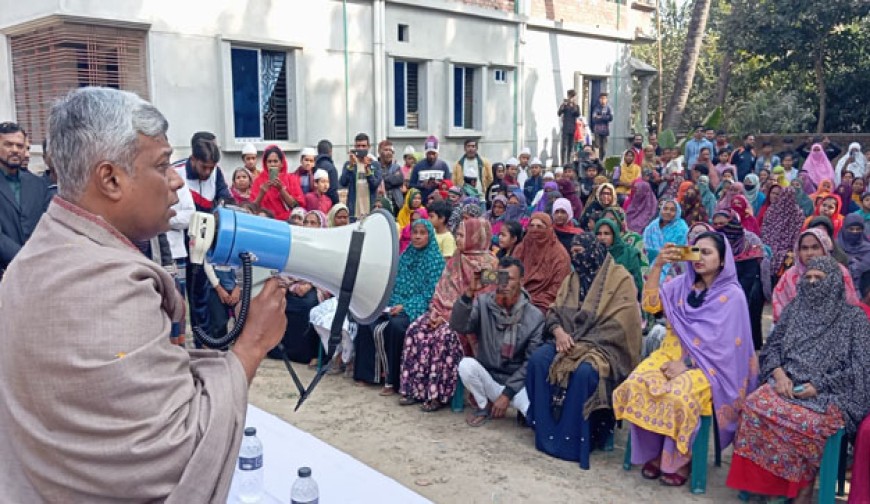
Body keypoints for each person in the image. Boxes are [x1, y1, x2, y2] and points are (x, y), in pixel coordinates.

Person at [0, 87, 289, 501]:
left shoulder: (32, 263)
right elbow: (174, 456)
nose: (175, 180)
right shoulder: (107, 286)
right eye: (160, 164)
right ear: (111, 179)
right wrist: (252, 345)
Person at [613, 233, 758, 487]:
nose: (699, 258)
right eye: (696, 251)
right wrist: (658, 265)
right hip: (669, 353)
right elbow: (650, 304)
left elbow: (728, 350)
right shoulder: (681, 284)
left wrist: (687, 365)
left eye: (707, 252)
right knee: (637, 383)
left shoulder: (732, 295)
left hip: (709, 367)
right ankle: (654, 452)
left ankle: (680, 459)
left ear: (723, 260)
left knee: (678, 395)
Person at [727, 256, 870, 503]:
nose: (812, 283)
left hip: (830, 392)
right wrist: (779, 375)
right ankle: (763, 486)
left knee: (804, 422)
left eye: (819, 278)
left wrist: (818, 386)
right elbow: (772, 349)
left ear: (835, 283)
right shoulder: (795, 308)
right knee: (754, 406)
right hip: (787, 382)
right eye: (809, 277)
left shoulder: (854, 319)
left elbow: (861, 368)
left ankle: (799, 487)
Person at [526, 232, 642, 467]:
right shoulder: (572, 279)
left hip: (603, 347)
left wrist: (582, 345)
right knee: (539, 360)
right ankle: (546, 432)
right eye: (573, 254)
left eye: (580, 253)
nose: (576, 259)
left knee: (585, 372)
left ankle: (576, 441)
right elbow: (554, 311)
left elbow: (621, 325)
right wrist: (558, 331)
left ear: (593, 252)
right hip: (567, 341)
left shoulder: (620, 279)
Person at [399, 218, 498, 410]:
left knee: (443, 337)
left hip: (467, 321)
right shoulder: (456, 259)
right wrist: (435, 312)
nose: (458, 239)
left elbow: (484, 301)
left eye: (462, 235)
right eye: (458, 235)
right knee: (416, 329)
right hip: (442, 312)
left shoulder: (490, 265)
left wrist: (448, 317)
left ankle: (438, 395)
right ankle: (415, 389)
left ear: (475, 237)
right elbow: (441, 289)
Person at [452, 256, 545, 427]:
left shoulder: (535, 317)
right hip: (490, 377)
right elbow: (459, 325)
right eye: (501, 278)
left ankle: (520, 411)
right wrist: (469, 293)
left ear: (521, 281)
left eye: (509, 279)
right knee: (466, 365)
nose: (504, 284)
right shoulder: (483, 302)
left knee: (537, 421)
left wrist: (507, 394)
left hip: (516, 384)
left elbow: (529, 363)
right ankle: (483, 406)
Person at [354, 218, 444, 393]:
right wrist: (387, 303)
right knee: (367, 319)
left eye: (422, 233)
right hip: (394, 302)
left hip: (418, 306)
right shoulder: (405, 256)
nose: (417, 237)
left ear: (429, 236)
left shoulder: (435, 261)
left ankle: (392, 379)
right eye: (414, 232)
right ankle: (368, 374)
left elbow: (430, 294)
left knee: (396, 326)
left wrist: (405, 306)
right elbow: (392, 283)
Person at [771, 228, 861, 323]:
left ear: (824, 249)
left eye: (815, 247)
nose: (810, 253)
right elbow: (780, 308)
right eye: (805, 248)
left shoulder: (840, 273)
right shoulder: (789, 276)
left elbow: (850, 307)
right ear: (798, 251)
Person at [712, 211, 768, 350]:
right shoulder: (716, 241)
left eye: (723, 224)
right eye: (716, 224)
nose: (719, 227)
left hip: (747, 282)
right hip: (722, 284)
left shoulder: (748, 243)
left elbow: (754, 269)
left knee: (753, 299)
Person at [0, 121, 51, 275]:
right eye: (8, 145)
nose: (15, 150)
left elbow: (48, 222)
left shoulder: (38, 184)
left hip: (39, 271)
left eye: (20, 146)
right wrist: (26, 260)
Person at [513, 213, 572, 313]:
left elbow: (557, 288)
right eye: (531, 226)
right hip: (516, 296)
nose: (535, 229)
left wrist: (530, 301)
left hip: (543, 303)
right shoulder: (522, 248)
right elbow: (510, 272)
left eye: (539, 226)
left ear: (549, 229)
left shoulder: (559, 255)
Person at [760, 187, 804, 285]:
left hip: (780, 252)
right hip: (773, 249)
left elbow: (796, 234)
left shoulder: (796, 214)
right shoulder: (772, 211)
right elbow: (766, 231)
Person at [251, 145, 304, 220]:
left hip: (288, 221)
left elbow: (297, 206)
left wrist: (281, 190)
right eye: (269, 161)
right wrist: (262, 193)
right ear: (265, 164)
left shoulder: (291, 179)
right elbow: (252, 208)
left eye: (275, 161)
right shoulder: (259, 181)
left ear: (282, 163)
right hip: (266, 221)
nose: (272, 164)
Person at [594, 218, 644, 295]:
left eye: (607, 234)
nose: (602, 237)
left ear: (614, 235)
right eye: (599, 234)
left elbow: (637, 283)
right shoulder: (593, 254)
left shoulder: (629, 253)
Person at [642, 198, 689, 278]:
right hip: (650, 261)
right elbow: (645, 246)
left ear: (677, 212)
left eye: (672, 210)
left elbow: (683, 252)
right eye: (665, 208)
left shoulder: (682, 228)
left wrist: (663, 257)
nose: (668, 212)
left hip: (672, 265)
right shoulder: (652, 226)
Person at [340, 133, 383, 220]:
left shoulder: (375, 164)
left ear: (368, 147)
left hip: (370, 210)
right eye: (358, 146)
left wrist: (368, 170)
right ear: (355, 147)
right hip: (354, 211)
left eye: (363, 146)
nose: (360, 149)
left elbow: (374, 185)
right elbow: (342, 182)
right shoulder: (349, 164)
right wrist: (351, 166)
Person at [839, 213, 870, 300]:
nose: (854, 232)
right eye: (851, 229)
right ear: (844, 229)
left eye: (858, 229)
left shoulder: (868, 249)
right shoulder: (836, 247)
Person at [410, 136, 451, 201]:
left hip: (439, 202)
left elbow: (449, 185)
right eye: (429, 153)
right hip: (422, 201)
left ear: (437, 153)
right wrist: (422, 185)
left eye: (433, 153)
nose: (431, 156)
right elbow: (411, 185)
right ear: (426, 153)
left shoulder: (443, 166)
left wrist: (439, 184)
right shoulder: (418, 166)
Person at [558, 89, 581, 166]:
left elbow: (578, 114)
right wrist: (563, 105)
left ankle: (569, 162)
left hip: (573, 128)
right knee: (564, 146)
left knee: (571, 146)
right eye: (571, 96)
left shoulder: (576, 106)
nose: (572, 98)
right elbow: (559, 113)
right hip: (565, 128)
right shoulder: (565, 105)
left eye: (573, 97)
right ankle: (563, 162)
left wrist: (574, 105)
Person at [314, 139, 340, 205]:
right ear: (330, 151)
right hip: (328, 204)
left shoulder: (312, 166)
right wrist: (337, 204)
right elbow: (333, 190)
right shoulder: (331, 168)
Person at [590, 93, 613, 159]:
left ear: (606, 99)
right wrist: (605, 117)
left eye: (604, 98)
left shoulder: (609, 108)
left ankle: (602, 160)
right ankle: (598, 161)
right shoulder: (596, 108)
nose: (603, 100)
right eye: (601, 98)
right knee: (597, 148)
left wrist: (601, 116)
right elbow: (594, 117)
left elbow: (611, 118)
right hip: (597, 130)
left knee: (604, 149)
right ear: (599, 99)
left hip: (605, 131)